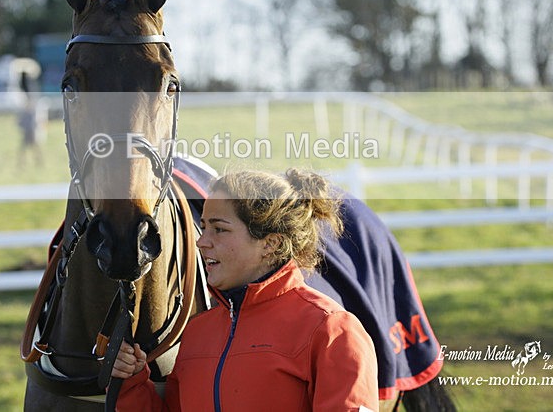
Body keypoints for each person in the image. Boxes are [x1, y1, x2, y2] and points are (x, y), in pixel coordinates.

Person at [112, 168, 379, 411]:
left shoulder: (332, 329)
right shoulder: (197, 332)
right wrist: (132, 381)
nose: (202, 242)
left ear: (270, 243)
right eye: (203, 227)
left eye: (219, 229)